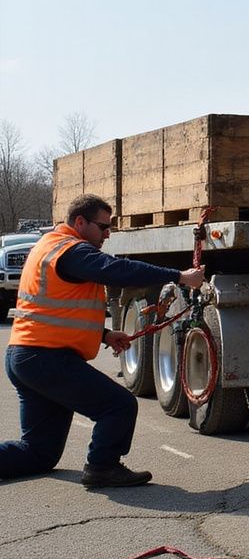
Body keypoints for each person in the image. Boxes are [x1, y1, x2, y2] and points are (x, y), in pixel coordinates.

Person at [0, 194, 206, 487]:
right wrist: (180, 276)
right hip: (45, 359)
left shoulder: (49, 246)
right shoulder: (71, 250)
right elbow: (118, 271)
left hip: (28, 356)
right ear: (80, 222)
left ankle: (98, 465)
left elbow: (54, 309)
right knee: (119, 405)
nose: (108, 234)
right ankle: (102, 467)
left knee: (38, 453)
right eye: (103, 227)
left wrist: (105, 335)